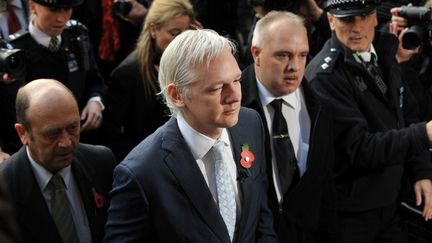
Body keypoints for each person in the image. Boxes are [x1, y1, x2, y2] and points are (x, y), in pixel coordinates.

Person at [104, 29, 277, 242]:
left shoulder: (250, 124)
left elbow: (261, 214)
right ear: (177, 95)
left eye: (237, 80)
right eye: (217, 88)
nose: (234, 96)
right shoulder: (141, 173)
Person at [305, 0, 432, 242]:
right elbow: (359, 149)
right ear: (331, 20)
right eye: (347, 19)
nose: (357, 27)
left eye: (364, 17)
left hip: (392, 206)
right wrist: (422, 135)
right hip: (351, 217)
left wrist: (421, 171)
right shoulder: (324, 77)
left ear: (375, 17)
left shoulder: (385, 53)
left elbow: (406, 114)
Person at [241, 11, 338, 243]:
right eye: (283, 55)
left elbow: (325, 189)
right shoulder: (232, 107)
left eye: (302, 55)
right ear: (257, 54)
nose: (294, 66)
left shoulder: (320, 109)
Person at [0, 79, 116, 243]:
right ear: (22, 133)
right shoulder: (5, 189)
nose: (66, 142)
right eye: (52, 134)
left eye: (72, 127)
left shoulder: (101, 162)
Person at [0, 0, 107, 154]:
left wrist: (95, 102)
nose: (61, 18)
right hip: (36, 149)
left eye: (66, 9)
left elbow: (96, 81)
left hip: (81, 142)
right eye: (53, 10)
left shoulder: (77, 34)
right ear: (32, 6)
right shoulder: (13, 52)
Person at [101, 0, 196, 161]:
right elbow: (112, 134)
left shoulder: (190, 65)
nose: (180, 41)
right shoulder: (128, 73)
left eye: (185, 33)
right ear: (153, 29)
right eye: (174, 33)